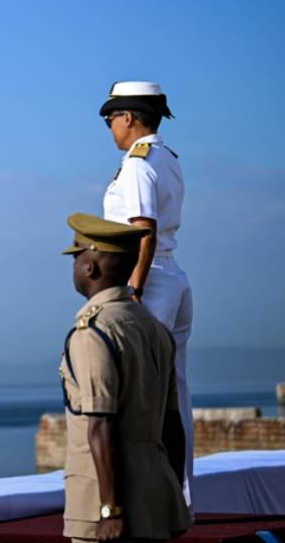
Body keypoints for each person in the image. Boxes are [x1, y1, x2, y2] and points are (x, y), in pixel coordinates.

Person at [60, 213, 190, 543]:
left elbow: (101, 423)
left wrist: (110, 510)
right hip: (154, 498)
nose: (74, 266)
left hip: (106, 510)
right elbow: (173, 425)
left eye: (77, 257)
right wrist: (172, 496)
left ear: (90, 267)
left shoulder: (93, 332)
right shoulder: (155, 330)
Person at [99, 80, 194, 500]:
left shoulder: (138, 163)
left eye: (110, 119)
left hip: (150, 277)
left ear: (128, 117)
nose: (109, 128)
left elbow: (143, 230)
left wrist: (133, 291)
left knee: (143, 391)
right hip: (170, 275)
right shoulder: (166, 157)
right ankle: (182, 494)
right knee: (176, 390)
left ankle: (150, 496)